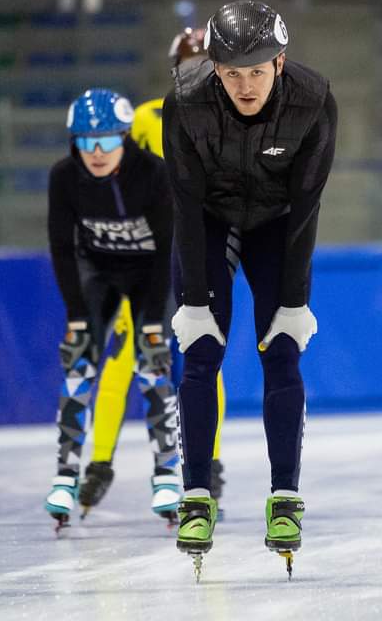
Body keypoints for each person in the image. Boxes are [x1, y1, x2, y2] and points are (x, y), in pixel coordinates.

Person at [163, 0, 337, 579]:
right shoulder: (185, 100)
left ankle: (284, 495)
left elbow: (307, 205)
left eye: (257, 71)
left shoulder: (314, 100)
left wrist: (295, 298)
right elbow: (184, 205)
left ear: (280, 64)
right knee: (200, 354)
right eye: (232, 72)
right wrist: (191, 297)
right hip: (208, 222)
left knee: (280, 350)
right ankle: (195, 495)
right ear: (213, 68)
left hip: (276, 224)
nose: (245, 84)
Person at [82, 28, 228, 518]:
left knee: (204, 356)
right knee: (123, 355)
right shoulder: (146, 118)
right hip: (151, 257)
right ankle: (100, 461)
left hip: (201, 252)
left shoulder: (231, 119)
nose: (195, 69)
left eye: (202, 62)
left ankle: (209, 460)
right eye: (188, 62)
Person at [43, 88, 180, 529]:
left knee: (152, 363)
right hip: (97, 272)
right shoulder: (64, 177)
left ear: (126, 138)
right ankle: (66, 473)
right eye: (86, 142)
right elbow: (63, 250)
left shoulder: (154, 174)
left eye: (106, 142)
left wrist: (155, 321)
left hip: (148, 273)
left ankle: (167, 473)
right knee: (78, 362)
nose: (96, 153)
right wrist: (77, 316)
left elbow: (165, 251)